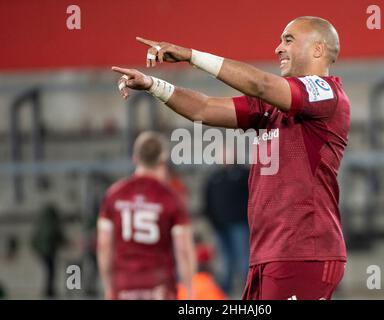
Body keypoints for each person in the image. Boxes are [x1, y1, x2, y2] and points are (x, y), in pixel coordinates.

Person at [112, 16, 350, 300]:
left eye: (288, 39)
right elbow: (204, 108)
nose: (278, 48)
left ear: (318, 50)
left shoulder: (327, 92)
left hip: (303, 251)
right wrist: (154, 84)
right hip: (269, 254)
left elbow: (261, 84)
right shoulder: (272, 107)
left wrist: (191, 56)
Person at [97, 132, 197, 300]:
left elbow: (104, 245)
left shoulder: (114, 194)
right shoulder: (171, 197)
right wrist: (190, 291)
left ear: (135, 158)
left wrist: (108, 286)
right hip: (159, 284)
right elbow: (183, 250)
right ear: (163, 159)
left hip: (124, 284)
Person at [204, 162, 249, 296]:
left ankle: (248, 288)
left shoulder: (242, 174)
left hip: (239, 224)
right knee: (225, 259)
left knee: (243, 258)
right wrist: (212, 220)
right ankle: (225, 291)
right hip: (220, 225)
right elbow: (207, 199)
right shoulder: (215, 177)